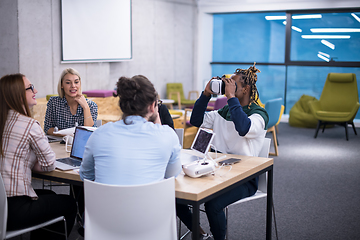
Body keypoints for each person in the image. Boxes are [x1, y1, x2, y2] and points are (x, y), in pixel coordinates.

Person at [177, 64, 269, 240]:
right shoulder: (224, 111)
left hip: (244, 179)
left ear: (245, 89)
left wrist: (231, 97)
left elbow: (243, 128)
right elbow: (195, 120)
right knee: (178, 196)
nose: (228, 86)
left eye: (232, 84)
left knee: (213, 205)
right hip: (216, 172)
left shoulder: (259, 114)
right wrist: (206, 95)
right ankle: (201, 234)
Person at [0, 73, 77, 240]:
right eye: (30, 87)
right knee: (69, 204)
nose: (36, 90)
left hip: (3, 203)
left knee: (50, 197)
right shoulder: (28, 124)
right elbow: (49, 164)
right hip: (14, 210)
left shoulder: (2, 121)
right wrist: (31, 163)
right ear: (17, 94)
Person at [80, 74, 181, 184]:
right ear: (153, 106)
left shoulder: (99, 134)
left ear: (122, 106)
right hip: (150, 201)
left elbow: (86, 176)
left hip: (106, 201)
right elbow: (171, 175)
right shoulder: (168, 136)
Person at [44, 67, 98, 135]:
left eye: (76, 82)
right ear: (62, 85)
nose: (73, 86)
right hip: (59, 144)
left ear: (80, 84)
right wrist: (68, 135)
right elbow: (47, 128)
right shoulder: (53, 103)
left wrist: (86, 108)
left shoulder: (91, 105)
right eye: (68, 83)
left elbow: (89, 132)